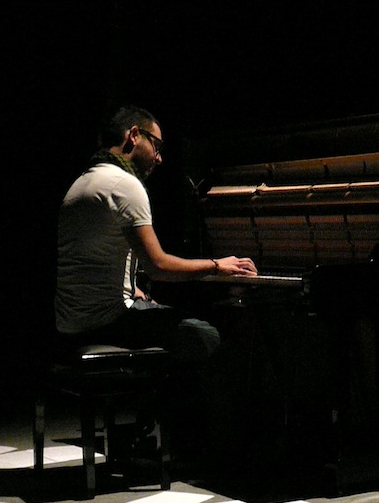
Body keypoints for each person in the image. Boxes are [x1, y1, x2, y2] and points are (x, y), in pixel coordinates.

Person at [54, 104, 256, 360]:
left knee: (160, 310)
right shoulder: (124, 184)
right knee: (206, 335)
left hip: (70, 324)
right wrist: (217, 265)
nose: (159, 158)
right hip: (105, 323)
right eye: (156, 146)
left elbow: (92, 261)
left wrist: (131, 291)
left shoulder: (84, 181)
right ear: (134, 135)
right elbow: (158, 266)